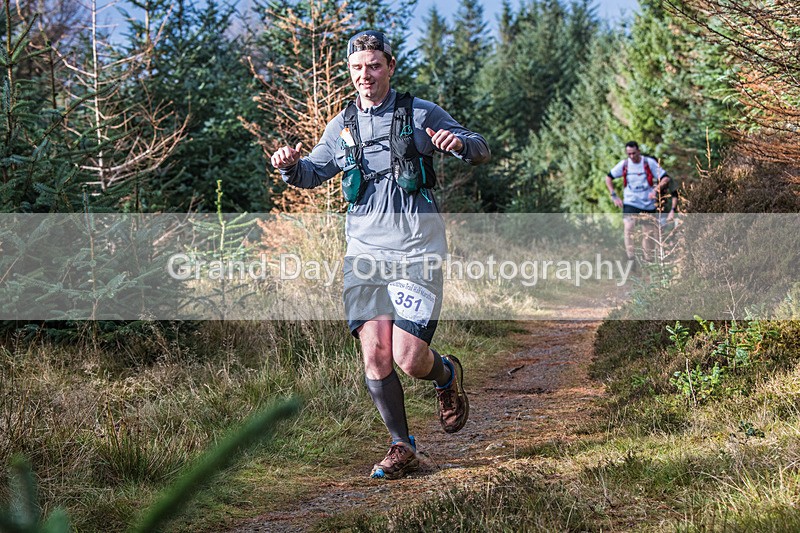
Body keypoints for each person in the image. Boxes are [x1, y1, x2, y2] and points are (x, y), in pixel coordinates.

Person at [270, 30, 491, 480]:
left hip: (417, 252)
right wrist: (290, 164)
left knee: (410, 359)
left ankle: (446, 376)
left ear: (390, 66)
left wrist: (460, 145)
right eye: (357, 68)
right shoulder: (342, 126)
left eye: (373, 65)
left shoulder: (419, 113)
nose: (365, 75)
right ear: (349, 73)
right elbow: (313, 173)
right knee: (375, 355)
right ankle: (401, 445)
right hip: (365, 256)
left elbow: (480, 146)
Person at [605, 141, 671, 263]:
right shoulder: (624, 164)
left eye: (633, 153)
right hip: (631, 201)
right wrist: (614, 196)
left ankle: (648, 261)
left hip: (648, 202)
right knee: (629, 227)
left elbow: (665, 178)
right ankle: (631, 259)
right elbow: (608, 178)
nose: (631, 156)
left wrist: (656, 190)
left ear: (639, 151)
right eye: (629, 154)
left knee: (648, 233)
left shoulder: (648, 162)